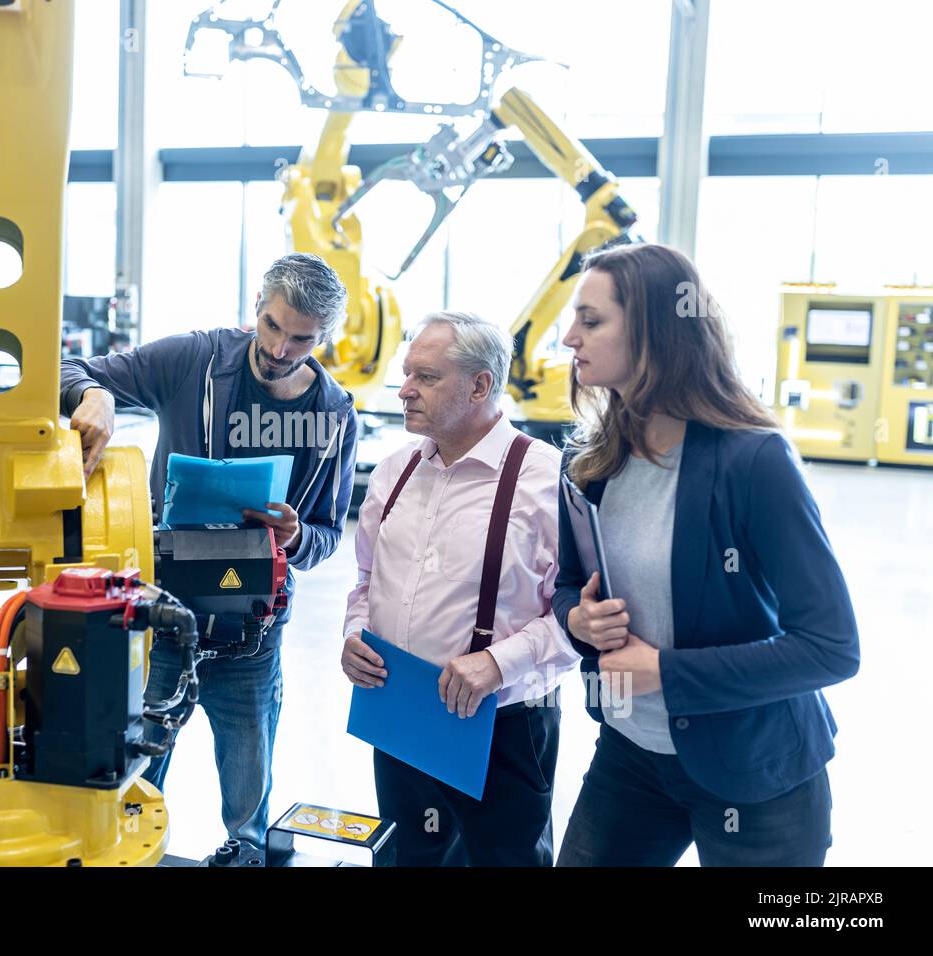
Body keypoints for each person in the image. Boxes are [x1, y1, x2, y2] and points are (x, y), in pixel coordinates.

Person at [552, 242, 860, 867]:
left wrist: (663, 672)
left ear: (656, 332)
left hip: (755, 772)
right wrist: (577, 621)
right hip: (631, 755)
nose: (568, 338)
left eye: (591, 320)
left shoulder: (755, 462)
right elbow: (565, 586)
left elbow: (831, 648)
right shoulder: (591, 464)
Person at [59, 252, 358, 850]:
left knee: (248, 798)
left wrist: (297, 535)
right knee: (134, 781)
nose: (279, 349)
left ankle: (244, 858)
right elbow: (63, 367)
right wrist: (91, 395)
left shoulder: (333, 413)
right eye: (272, 327)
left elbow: (327, 533)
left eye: (302, 339)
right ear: (256, 308)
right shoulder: (194, 360)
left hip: (253, 628)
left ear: (325, 337)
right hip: (164, 611)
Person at [341, 311, 579, 866]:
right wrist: (357, 634)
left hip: (503, 726)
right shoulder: (393, 472)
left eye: (426, 376)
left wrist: (499, 662)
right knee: (408, 858)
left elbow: (582, 619)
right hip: (399, 713)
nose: (404, 390)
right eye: (406, 374)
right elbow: (366, 581)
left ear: (479, 385)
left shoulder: (547, 482)